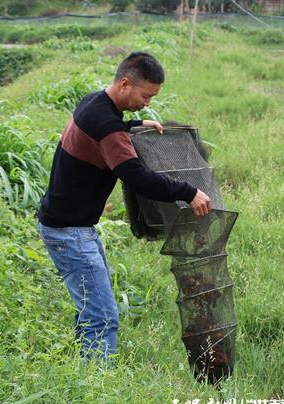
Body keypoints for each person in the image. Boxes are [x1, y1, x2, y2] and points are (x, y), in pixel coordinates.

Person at [36, 52, 212, 363]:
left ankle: (83, 370)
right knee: (103, 316)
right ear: (126, 83)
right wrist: (189, 192)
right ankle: (94, 390)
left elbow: (108, 128)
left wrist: (134, 124)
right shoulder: (107, 126)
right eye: (146, 96)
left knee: (92, 310)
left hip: (69, 226)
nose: (147, 102)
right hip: (70, 233)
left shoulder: (95, 102)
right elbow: (138, 178)